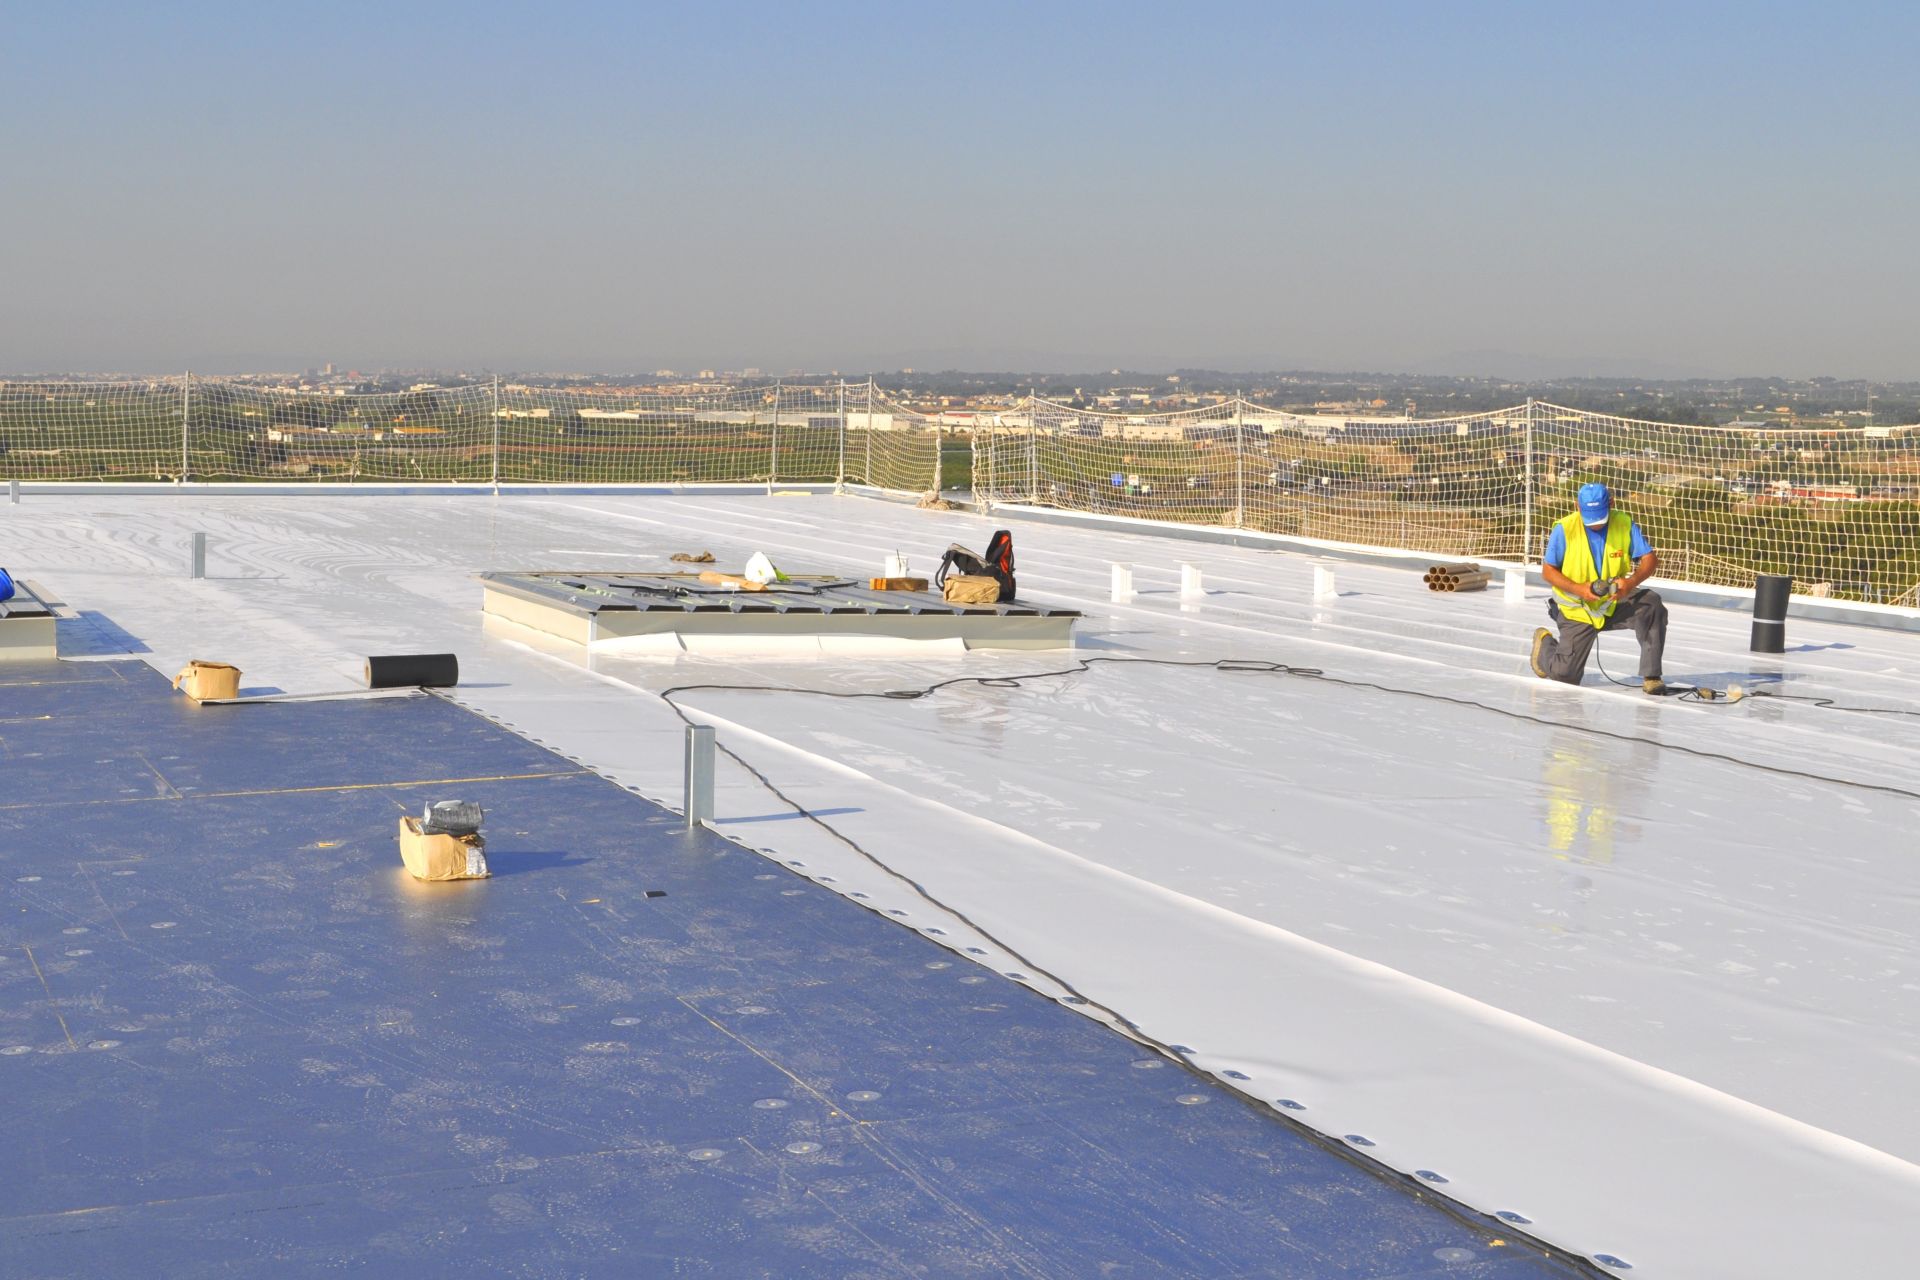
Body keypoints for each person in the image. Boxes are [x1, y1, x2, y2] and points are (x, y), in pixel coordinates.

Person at [1529, 482, 1668, 693]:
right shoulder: (1564, 529)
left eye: (1600, 518)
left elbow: (1649, 559)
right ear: (1577, 507)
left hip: (1612, 602)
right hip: (1577, 609)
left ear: (1611, 504)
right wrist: (1579, 589)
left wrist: (1630, 583)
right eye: (1590, 519)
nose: (1595, 525)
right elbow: (1548, 571)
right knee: (1565, 676)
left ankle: (1652, 676)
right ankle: (1545, 643)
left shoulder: (1624, 523)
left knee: (1651, 604)